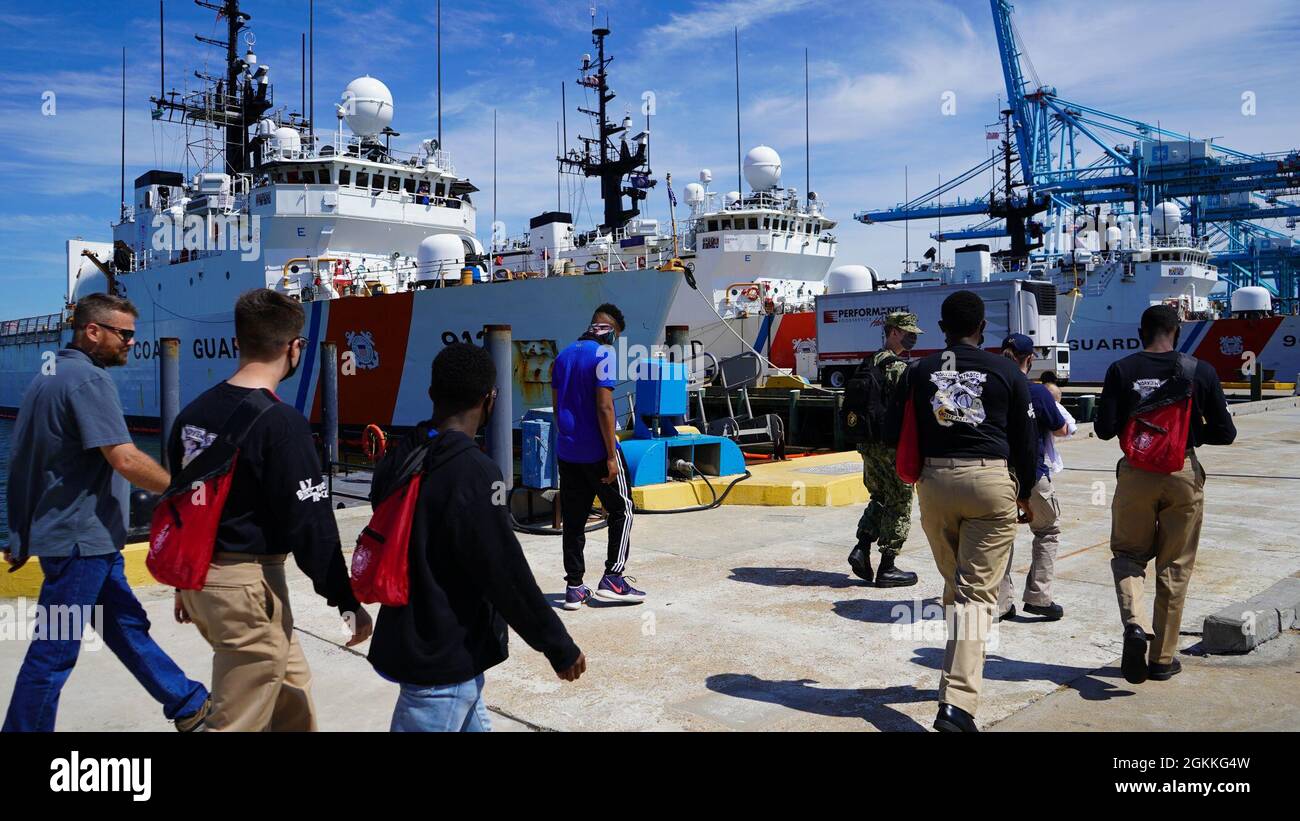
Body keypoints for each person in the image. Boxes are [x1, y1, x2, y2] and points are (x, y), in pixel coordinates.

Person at [3, 293, 210, 732]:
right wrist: (183, 489)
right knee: (54, 653)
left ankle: (187, 701)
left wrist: (19, 533)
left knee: (123, 624)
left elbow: (22, 459)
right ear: (92, 331)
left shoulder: (47, 375)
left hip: (83, 537)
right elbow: (125, 459)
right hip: (82, 541)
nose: (132, 343)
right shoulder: (89, 382)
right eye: (124, 334)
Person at [170, 288, 371, 731]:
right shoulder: (283, 424)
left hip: (205, 580)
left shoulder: (191, 415)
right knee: (235, 721)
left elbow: (183, 505)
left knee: (291, 698)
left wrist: (184, 584)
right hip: (248, 585)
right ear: (294, 348)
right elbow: (312, 526)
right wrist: (346, 599)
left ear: (239, 342)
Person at [368, 343, 586, 731]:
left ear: (433, 393)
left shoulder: (403, 454)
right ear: (490, 399)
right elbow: (506, 574)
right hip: (443, 658)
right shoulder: (477, 473)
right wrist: (558, 646)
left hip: (411, 638)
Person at [896, 290, 1038, 733]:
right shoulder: (1006, 370)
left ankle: (951, 687)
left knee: (958, 587)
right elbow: (1026, 441)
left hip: (935, 486)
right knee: (975, 594)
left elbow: (890, 431)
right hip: (990, 482)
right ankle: (957, 706)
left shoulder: (917, 371)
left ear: (942, 329)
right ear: (982, 328)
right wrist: (1026, 492)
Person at [1094, 304, 1235, 684]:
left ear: (1141, 331)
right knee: (1174, 566)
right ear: (1176, 330)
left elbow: (1105, 429)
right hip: (1181, 473)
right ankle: (1162, 659)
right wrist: (1185, 436)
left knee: (1128, 556)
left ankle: (1136, 625)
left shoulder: (1121, 370)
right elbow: (1226, 433)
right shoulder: (1199, 370)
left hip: (1136, 474)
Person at [551, 303, 645, 609]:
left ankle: (575, 587)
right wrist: (609, 455)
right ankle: (613, 578)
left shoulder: (562, 356)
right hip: (597, 451)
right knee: (623, 510)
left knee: (574, 520)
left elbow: (556, 407)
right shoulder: (604, 354)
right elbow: (605, 407)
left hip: (568, 452)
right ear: (611, 332)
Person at [996, 334, 1071, 621]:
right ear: (1029, 359)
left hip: (997, 475)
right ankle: (1038, 597)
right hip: (1033, 476)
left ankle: (1001, 603)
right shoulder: (1038, 393)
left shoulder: (992, 390)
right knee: (1047, 530)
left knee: (1001, 538)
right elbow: (1061, 429)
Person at [847, 311, 922, 587]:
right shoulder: (899, 369)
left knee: (879, 497)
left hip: (868, 445)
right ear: (893, 332)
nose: (912, 337)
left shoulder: (869, 362)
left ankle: (862, 548)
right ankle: (888, 566)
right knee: (901, 501)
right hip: (890, 446)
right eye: (907, 332)